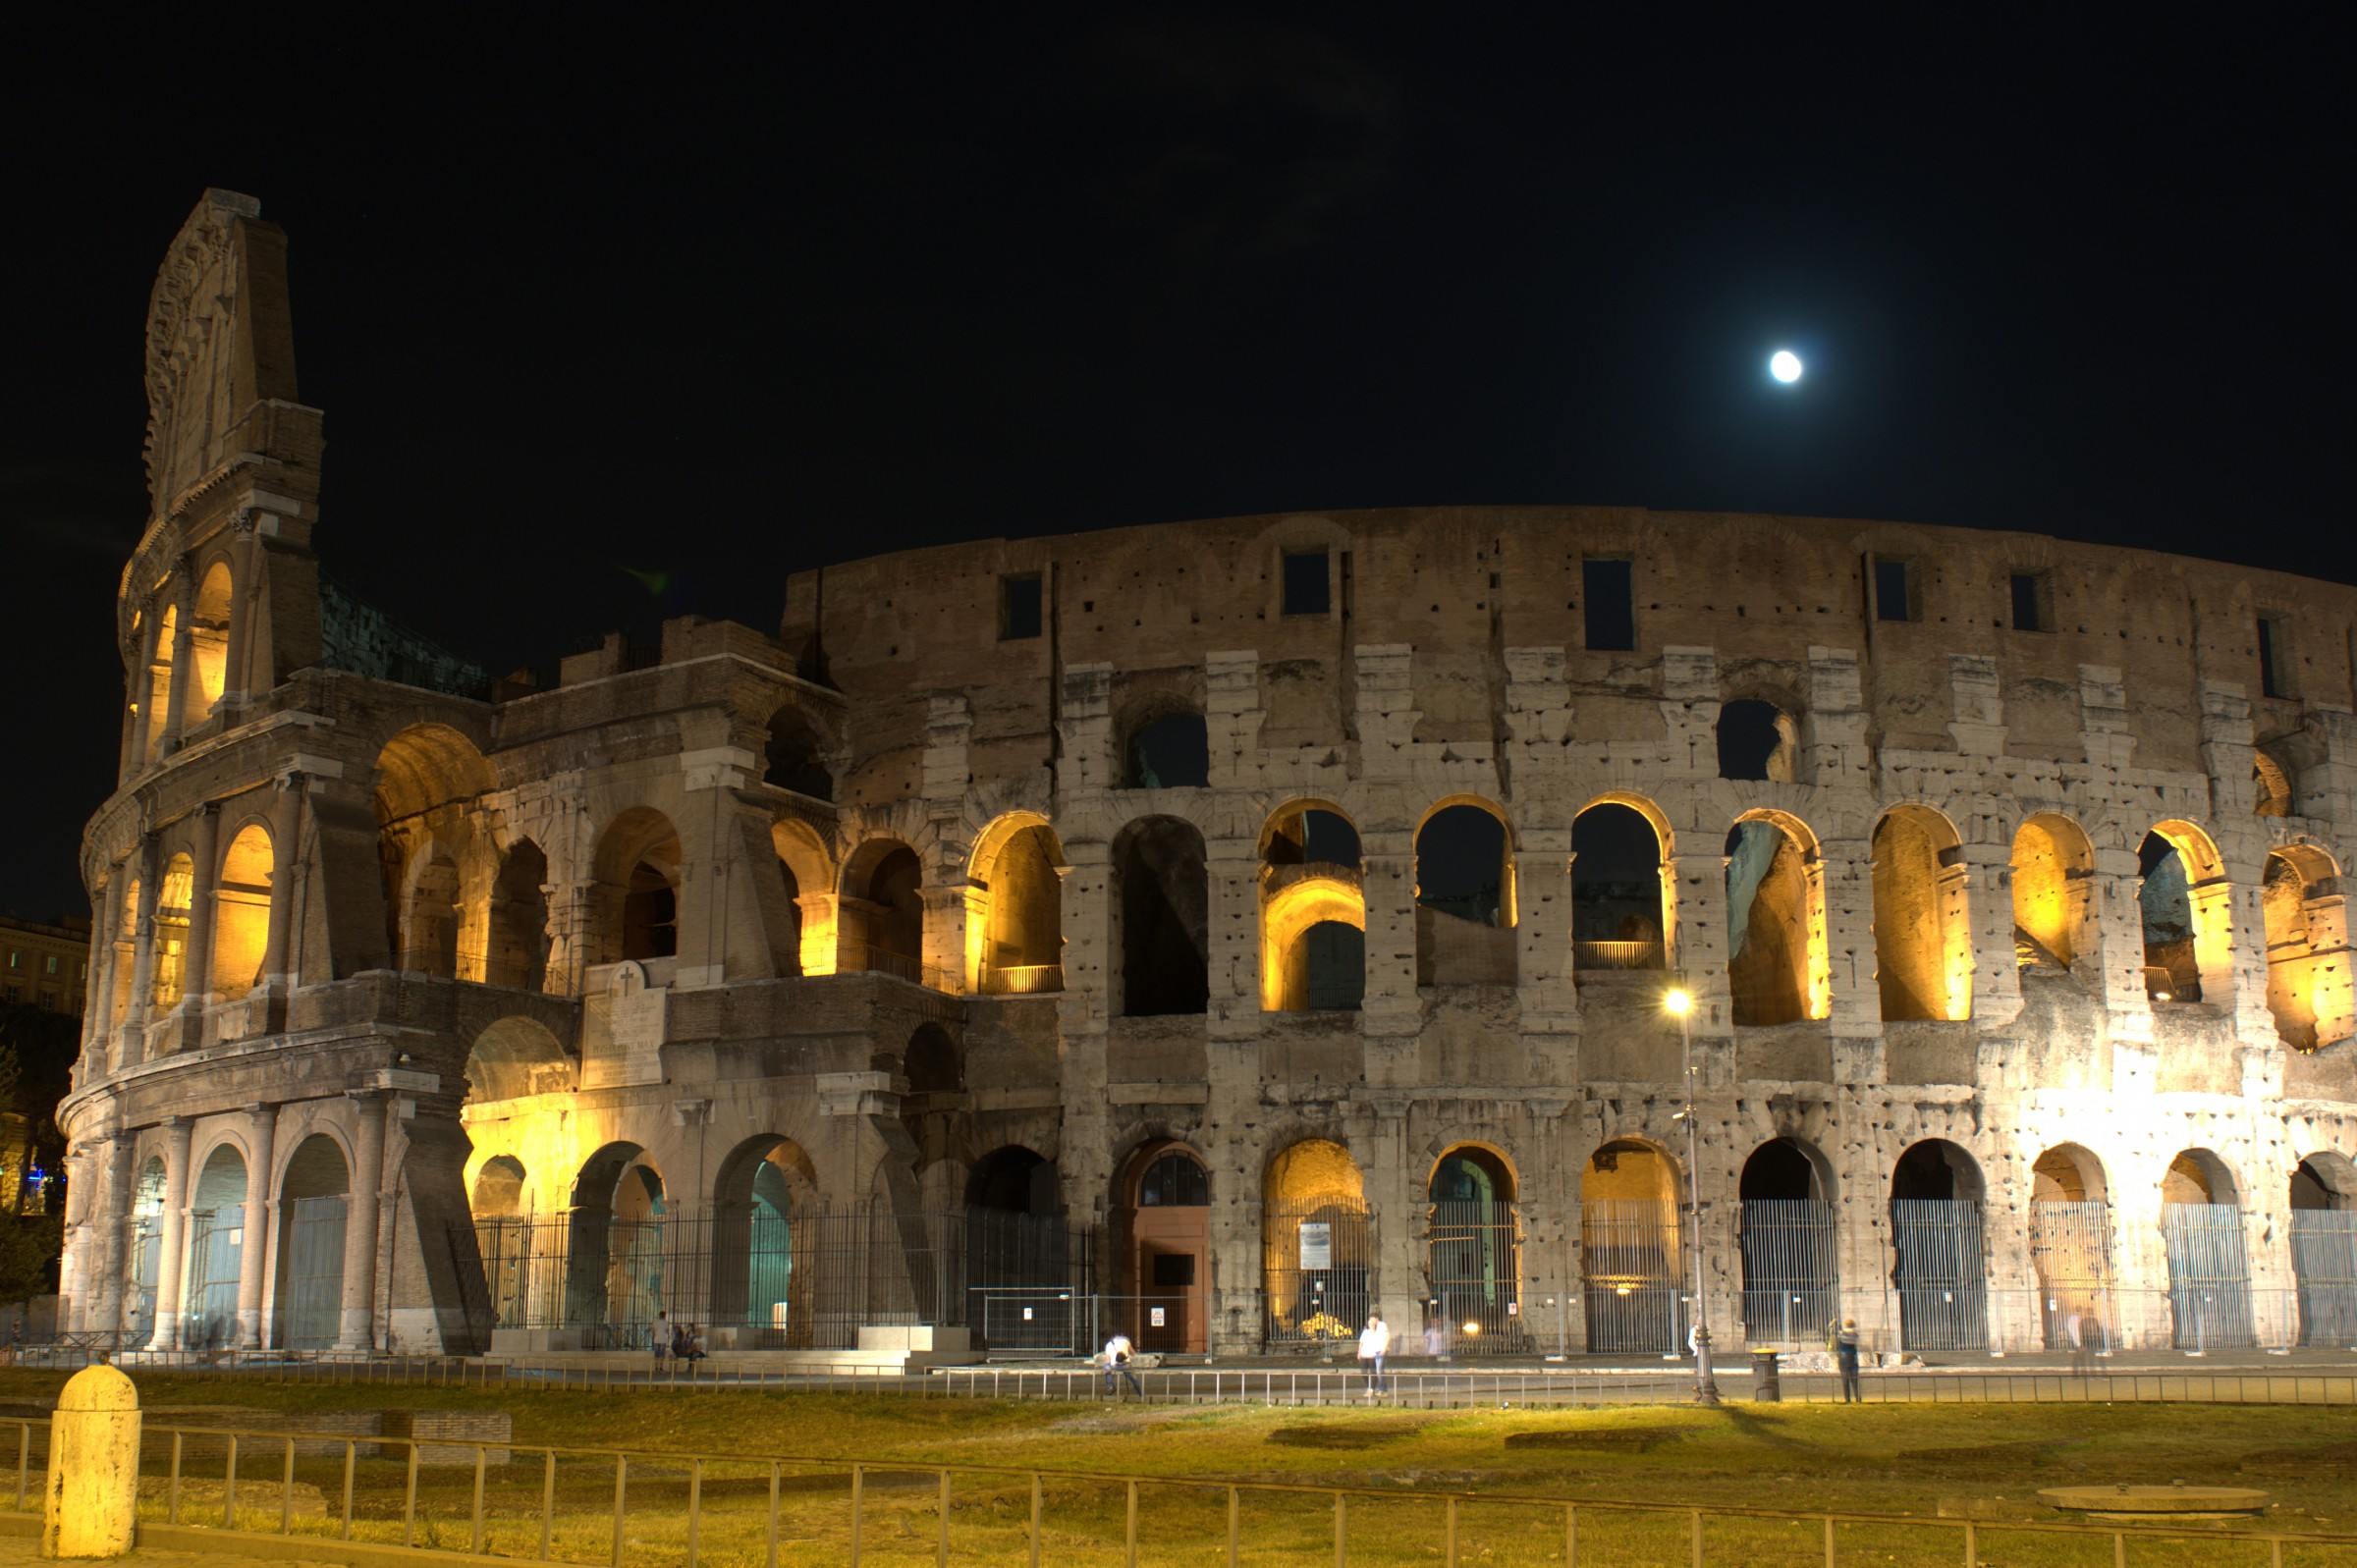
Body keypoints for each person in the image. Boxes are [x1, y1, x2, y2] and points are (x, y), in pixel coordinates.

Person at [1102, 1330, 1143, 1396]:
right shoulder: (1125, 1341)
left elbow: (1107, 1359)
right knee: (1134, 1380)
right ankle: (1141, 1394)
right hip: (1126, 1365)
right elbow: (1133, 1353)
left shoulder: (1108, 1345)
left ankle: (1110, 1386)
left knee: (1106, 1367)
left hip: (1114, 1365)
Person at [1358, 1314, 1391, 1395]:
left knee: (1378, 1370)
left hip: (1378, 1352)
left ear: (1377, 1319)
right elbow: (1361, 1342)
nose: (1371, 1322)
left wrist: (1385, 1347)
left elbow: (1387, 1336)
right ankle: (1380, 1388)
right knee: (1374, 1371)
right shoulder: (1368, 1330)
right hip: (1373, 1352)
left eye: (1372, 1320)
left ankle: (1381, 1389)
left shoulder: (1381, 1325)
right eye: (1370, 1320)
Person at [1836, 1318, 1862, 1404]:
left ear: (1846, 1325)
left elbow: (1836, 1332)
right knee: (1855, 1380)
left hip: (1843, 1357)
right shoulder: (1855, 1335)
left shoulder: (1843, 1333)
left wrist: (1837, 1323)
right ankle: (1858, 1398)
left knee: (1845, 1379)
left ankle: (1847, 1399)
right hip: (1854, 1358)